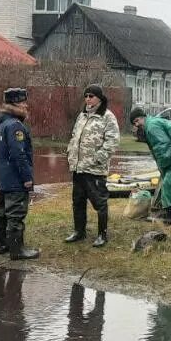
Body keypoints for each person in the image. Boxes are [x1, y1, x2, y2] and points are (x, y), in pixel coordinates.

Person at [65, 84, 120, 247]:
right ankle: (79, 232)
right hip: (78, 168)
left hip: (95, 169)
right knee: (78, 201)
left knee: (99, 203)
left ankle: (102, 235)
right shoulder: (82, 116)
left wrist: (98, 158)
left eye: (91, 96)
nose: (88, 99)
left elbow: (113, 141)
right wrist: (70, 153)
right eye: (86, 96)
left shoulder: (107, 117)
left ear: (99, 98)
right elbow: (75, 136)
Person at [0, 87, 40, 261]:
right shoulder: (15, 126)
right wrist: (27, 178)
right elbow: (18, 155)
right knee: (16, 214)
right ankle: (17, 250)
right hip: (15, 179)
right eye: (23, 102)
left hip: (4, 177)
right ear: (15, 104)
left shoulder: (2, 122)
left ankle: (2, 245)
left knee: (1, 212)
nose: (26, 105)